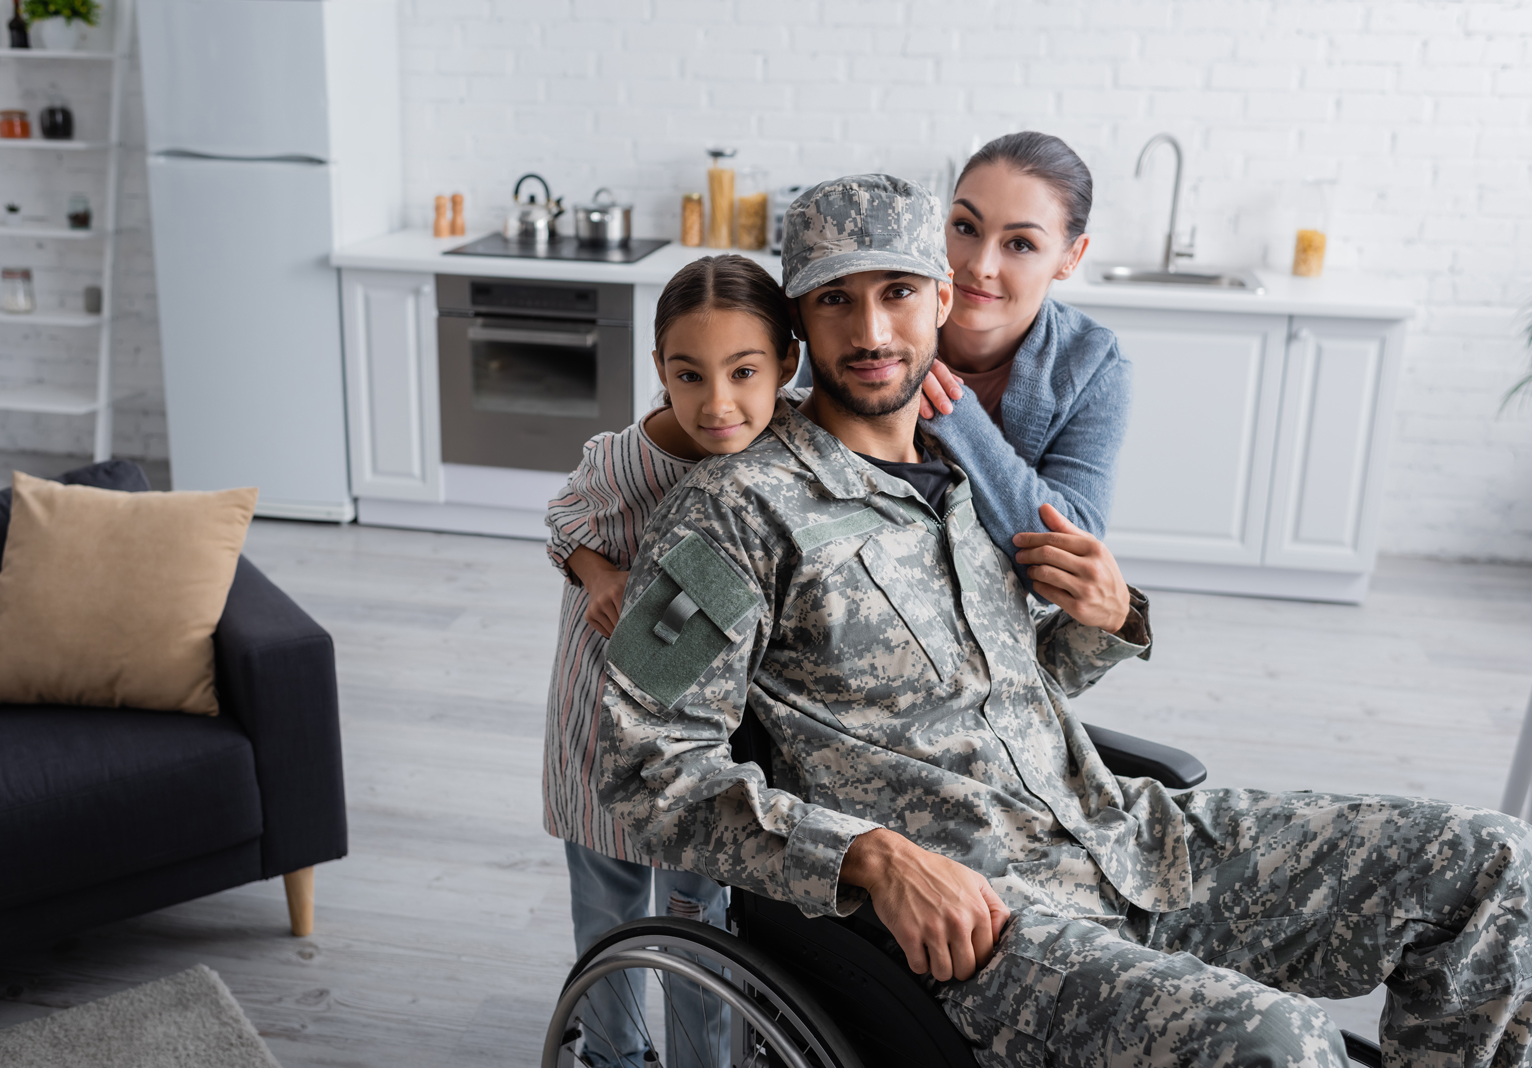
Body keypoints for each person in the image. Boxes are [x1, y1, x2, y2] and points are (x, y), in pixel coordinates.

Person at [595, 174, 1532, 1068]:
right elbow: (638, 769)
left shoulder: (960, 476)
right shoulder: (732, 512)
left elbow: (989, 696)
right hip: (984, 927)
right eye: (836, 300)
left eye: (898, 292)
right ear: (797, 324)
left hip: (1124, 841)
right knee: (1277, 1043)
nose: (873, 330)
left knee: (1498, 866)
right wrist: (868, 857)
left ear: (943, 301)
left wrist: (1103, 619)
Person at [542, 253, 798, 1068]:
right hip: (604, 713)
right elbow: (564, 518)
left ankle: (705, 1058)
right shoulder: (627, 457)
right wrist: (597, 573)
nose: (716, 404)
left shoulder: (792, 443)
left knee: (702, 917)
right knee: (612, 914)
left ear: (785, 365)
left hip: (714, 741)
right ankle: (612, 1056)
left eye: (744, 372)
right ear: (660, 371)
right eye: (689, 375)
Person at [917, 132, 1127, 588]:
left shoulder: (1092, 363)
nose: (981, 265)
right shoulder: (876, 320)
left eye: (1021, 244)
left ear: (1071, 257)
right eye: (966, 228)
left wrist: (952, 412)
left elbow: (1065, 567)